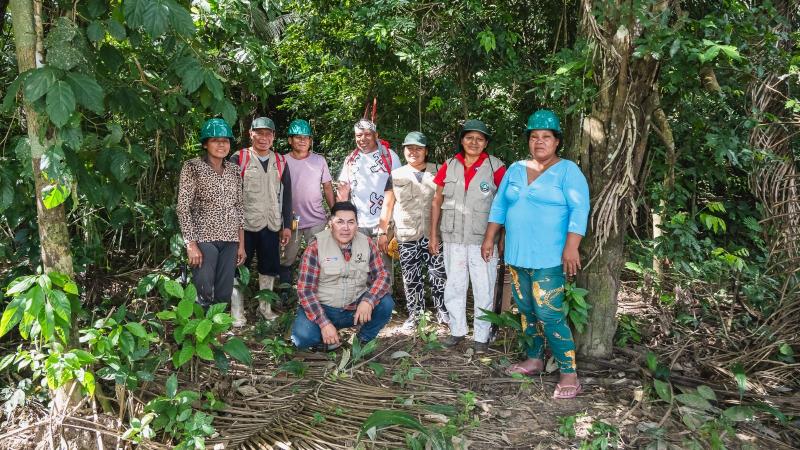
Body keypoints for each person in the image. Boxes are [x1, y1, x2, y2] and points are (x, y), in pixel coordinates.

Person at [482, 109, 590, 399]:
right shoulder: (516, 169)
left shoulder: (568, 171)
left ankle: (569, 373)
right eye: (534, 137)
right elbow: (500, 206)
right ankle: (534, 359)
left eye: (546, 137)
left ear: (556, 142)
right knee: (526, 311)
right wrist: (490, 238)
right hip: (517, 255)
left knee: (550, 313)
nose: (539, 142)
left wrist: (572, 246)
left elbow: (580, 209)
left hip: (549, 257)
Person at [429, 120, 506, 353]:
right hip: (452, 238)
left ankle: (482, 337)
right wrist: (434, 234)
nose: (474, 142)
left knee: (484, 287)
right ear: (461, 140)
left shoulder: (495, 167)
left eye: (480, 139)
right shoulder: (449, 165)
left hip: (483, 240)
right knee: (454, 285)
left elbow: (504, 204)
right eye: (469, 137)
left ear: (486, 143)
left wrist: (499, 238)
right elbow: (437, 200)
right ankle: (456, 331)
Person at [290, 201, 395, 350]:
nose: (346, 228)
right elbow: (305, 290)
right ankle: (326, 339)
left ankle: (362, 340)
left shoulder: (367, 243)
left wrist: (369, 300)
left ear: (357, 225)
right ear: (331, 223)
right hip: (324, 309)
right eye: (340, 222)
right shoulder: (316, 247)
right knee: (302, 339)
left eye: (351, 222)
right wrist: (324, 323)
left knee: (386, 303)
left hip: (355, 309)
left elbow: (383, 275)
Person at [377, 131, 448, 330]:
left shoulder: (440, 171)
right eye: (409, 148)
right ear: (404, 150)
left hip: (434, 234)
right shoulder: (395, 174)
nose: (413, 152)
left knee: (439, 275)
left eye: (418, 148)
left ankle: (443, 313)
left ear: (426, 151)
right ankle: (415, 316)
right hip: (406, 235)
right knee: (411, 278)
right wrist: (382, 232)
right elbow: (388, 205)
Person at [177, 118, 246, 309]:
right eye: (215, 140)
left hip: (231, 239)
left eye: (225, 140)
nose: (221, 144)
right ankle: (201, 334)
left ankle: (219, 332)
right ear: (206, 143)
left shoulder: (234, 170)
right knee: (204, 289)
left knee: (224, 292)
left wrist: (241, 244)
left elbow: (239, 207)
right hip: (204, 238)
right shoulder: (192, 167)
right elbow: (183, 207)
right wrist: (190, 244)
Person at [230, 117, 293, 323]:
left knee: (269, 267)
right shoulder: (239, 159)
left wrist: (286, 226)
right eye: (260, 133)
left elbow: (286, 195)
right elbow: (230, 195)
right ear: (251, 134)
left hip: (271, 224)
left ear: (274, 137)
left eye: (268, 134)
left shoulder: (281, 161)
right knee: (240, 266)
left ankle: (264, 308)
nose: (264, 138)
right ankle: (237, 312)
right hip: (245, 225)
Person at [336, 119, 401, 274]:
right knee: (360, 268)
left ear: (375, 135)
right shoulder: (351, 159)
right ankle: (362, 298)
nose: (362, 139)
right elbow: (343, 192)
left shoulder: (389, 156)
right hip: (358, 223)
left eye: (367, 134)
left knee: (383, 269)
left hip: (385, 222)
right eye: (359, 135)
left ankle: (385, 297)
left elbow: (399, 190)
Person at [279, 119, 335, 287]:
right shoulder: (282, 161)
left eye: (306, 137)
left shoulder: (319, 161)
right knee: (286, 257)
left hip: (316, 218)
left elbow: (327, 187)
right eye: (298, 137)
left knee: (317, 257)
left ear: (310, 141)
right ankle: (285, 290)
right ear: (290, 140)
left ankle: (312, 290)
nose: (302, 141)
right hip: (290, 220)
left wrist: (335, 212)